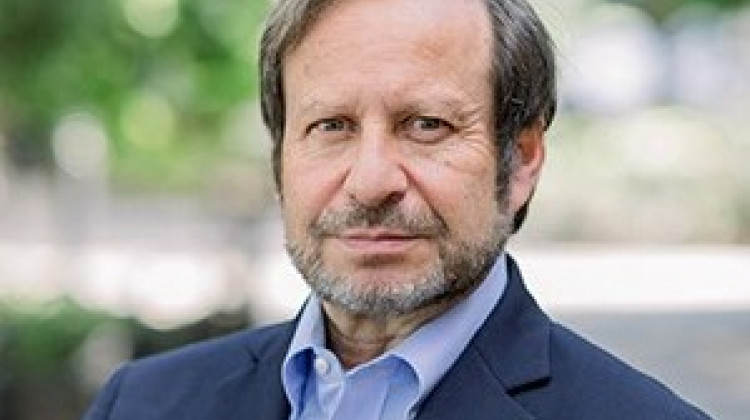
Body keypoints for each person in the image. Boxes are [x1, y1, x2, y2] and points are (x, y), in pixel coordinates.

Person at [83, 0, 714, 419]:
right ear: (280, 158)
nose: (371, 182)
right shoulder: (140, 405)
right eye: (331, 126)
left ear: (521, 160)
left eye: (426, 124)